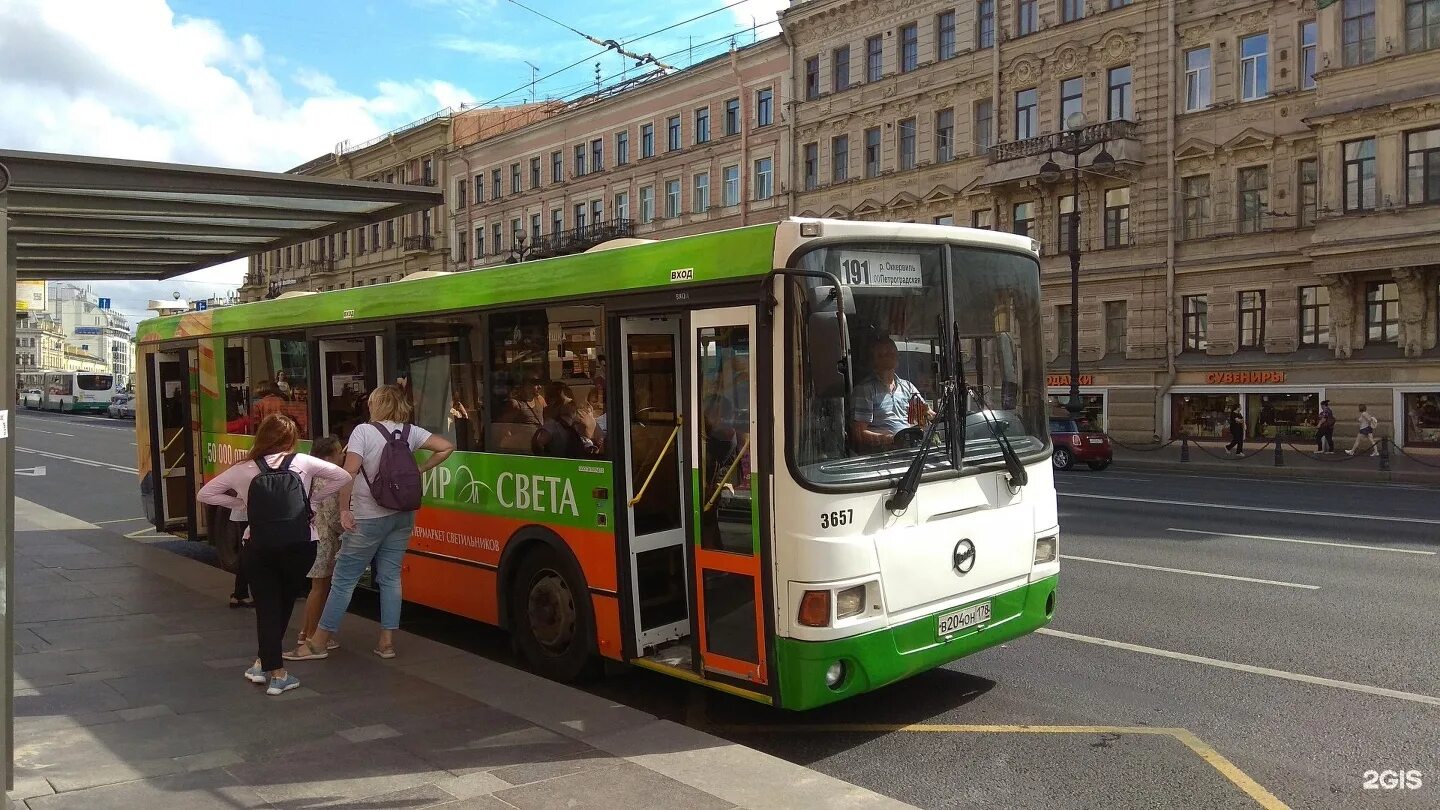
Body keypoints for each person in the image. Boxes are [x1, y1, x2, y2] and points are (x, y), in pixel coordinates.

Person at [286, 385, 454, 661]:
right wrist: (419, 468)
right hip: (402, 515)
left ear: (376, 405)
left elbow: (348, 472)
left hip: (369, 516)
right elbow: (447, 446)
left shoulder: (364, 432)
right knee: (390, 578)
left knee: (343, 581)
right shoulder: (410, 432)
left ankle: (318, 643)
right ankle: (386, 642)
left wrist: (344, 509)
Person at [196, 414, 350, 696]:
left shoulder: (243, 468)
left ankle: (264, 665)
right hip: (300, 544)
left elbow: (206, 494)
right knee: (284, 603)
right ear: (290, 440)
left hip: (259, 546)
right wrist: (311, 502)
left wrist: (243, 503)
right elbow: (342, 476)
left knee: (267, 607)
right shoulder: (302, 461)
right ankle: (275, 673)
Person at [295, 436, 346, 652]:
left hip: (314, 537)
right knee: (319, 588)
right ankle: (311, 634)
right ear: (328, 457)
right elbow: (334, 516)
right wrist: (347, 529)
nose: (343, 455)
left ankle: (305, 632)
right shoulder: (329, 479)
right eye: (338, 452)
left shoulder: (314, 476)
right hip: (324, 541)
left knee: (317, 588)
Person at [850, 337, 930, 450]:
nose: (889, 356)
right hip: (883, 457)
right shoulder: (865, 390)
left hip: (911, 452)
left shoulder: (907, 387)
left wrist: (926, 417)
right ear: (874, 360)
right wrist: (889, 439)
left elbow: (924, 417)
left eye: (892, 352)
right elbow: (859, 434)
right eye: (883, 353)